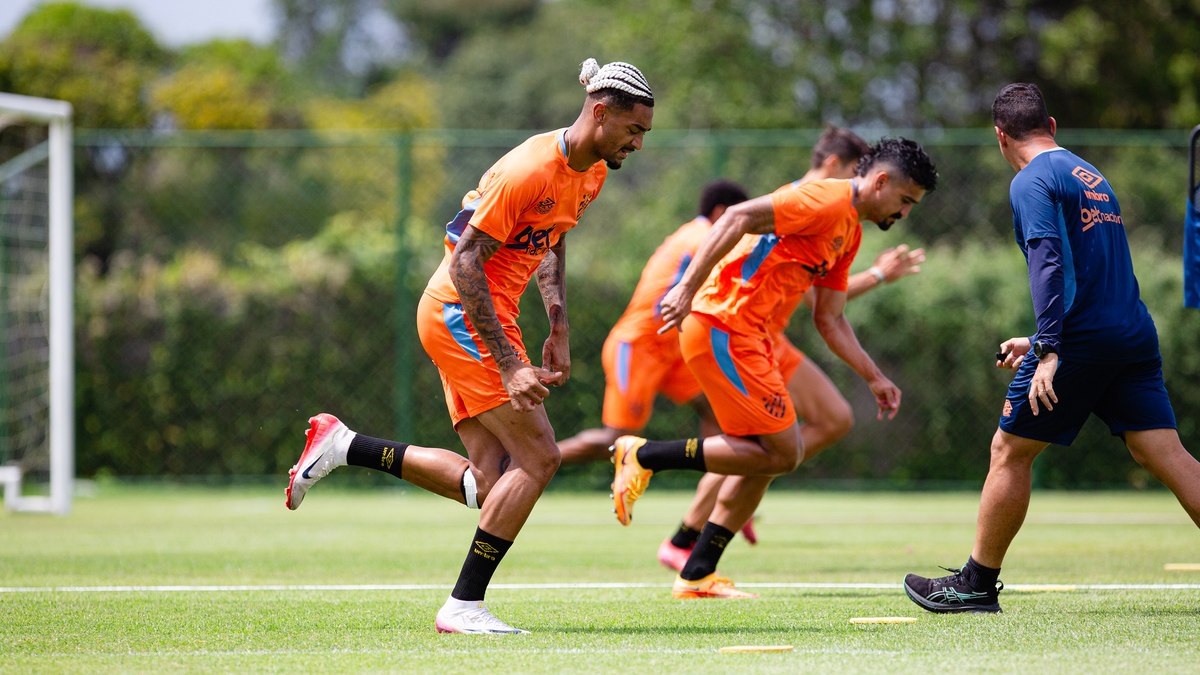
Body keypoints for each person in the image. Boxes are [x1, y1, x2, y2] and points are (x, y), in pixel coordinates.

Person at [284, 57, 654, 634]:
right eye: (634, 130)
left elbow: (551, 242)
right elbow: (466, 262)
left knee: (488, 483)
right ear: (601, 114)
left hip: (479, 315)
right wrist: (510, 364)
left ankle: (344, 446)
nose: (638, 143)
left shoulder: (593, 173)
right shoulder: (529, 168)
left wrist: (557, 323)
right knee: (540, 458)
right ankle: (463, 607)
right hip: (460, 310)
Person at [903, 83, 1200, 614]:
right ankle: (975, 580)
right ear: (1053, 126)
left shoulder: (1030, 180)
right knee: (1163, 452)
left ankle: (974, 584)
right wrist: (1042, 334)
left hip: (1082, 340)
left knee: (1009, 451)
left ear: (1000, 137)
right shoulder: (1091, 175)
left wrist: (1049, 348)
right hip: (1132, 332)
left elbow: (1048, 261)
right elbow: (1093, 269)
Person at [611, 137, 938, 599]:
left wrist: (873, 375)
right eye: (905, 201)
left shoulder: (851, 230)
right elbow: (738, 216)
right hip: (722, 324)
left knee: (767, 458)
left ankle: (697, 573)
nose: (905, 213)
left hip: (752, 337)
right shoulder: (827, 197)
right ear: (881, 181)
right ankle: (643, 456)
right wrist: (686, 287)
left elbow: (830, 317)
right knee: (784, 452)